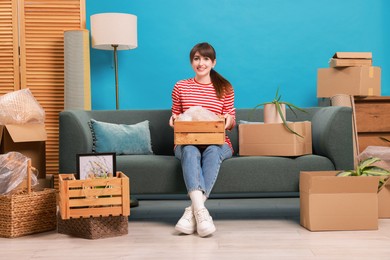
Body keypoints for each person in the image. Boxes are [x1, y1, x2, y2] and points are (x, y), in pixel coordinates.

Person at [169, 42, 236, 237]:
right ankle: (202, 214)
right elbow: (176, 115)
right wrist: (174, 119)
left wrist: (227, 120)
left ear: (213, 63)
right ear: (191, 62)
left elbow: (231, 119)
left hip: (219, 142)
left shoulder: (225, 87)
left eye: (206, 59)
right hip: (186, 141)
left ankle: (192, 212)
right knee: (190, 150)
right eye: (197, 58)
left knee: (213, 150)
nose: (201, 63)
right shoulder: (180, 86)